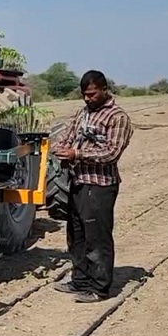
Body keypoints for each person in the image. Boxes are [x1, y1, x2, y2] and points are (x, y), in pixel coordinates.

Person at [52, 70, 133, 303]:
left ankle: (100, 288)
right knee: (77, 236)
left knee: (97, 238)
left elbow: (111, 153)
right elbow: (67, 136)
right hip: (78, 183)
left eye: (92, 94)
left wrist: (77, 153)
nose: (87, 99)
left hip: (99, 185)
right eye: (84, 95)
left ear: (104, 89)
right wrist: (62, 149)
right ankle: (80, 280)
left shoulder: (117, 117)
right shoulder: (83, 113)